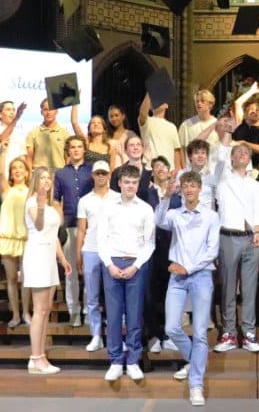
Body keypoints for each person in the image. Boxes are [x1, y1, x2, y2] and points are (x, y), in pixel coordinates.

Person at [155, 171, 221, 407]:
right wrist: (166, 196)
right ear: (181, 190)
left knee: (200, 332)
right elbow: (158, 221)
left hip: (201, 276)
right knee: (172, 327)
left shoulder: (211, 216)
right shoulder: (175, 214)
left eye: (193, 185)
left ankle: (196, 384)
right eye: (186, 186)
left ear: (200, 188)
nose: (189, 189)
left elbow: (212, 251)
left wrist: (188, 268)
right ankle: (195, 362)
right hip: (177, 277)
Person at [97, 164, 156, 381]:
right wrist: (109, 265)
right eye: (127, 182)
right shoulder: (108, 207)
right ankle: (115, 361)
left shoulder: (146, 209)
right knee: (113, 316)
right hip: (112, 262)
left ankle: (132, 361)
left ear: (138, 184)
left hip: (135, 264)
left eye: (134, 182)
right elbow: (101, 239)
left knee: (135, 316)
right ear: (120, 183)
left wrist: (135, 266)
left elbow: (149, 243)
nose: (130, 186)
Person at [213, 119, 259, 353]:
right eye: (238, 152)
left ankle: (249, 333)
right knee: (227, 288)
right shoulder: (223, 177)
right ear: (232, 159)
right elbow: (221, 154)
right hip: (228, 236)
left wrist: (258, 232)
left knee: (249, 288)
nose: (242, 154)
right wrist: (228, 132)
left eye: (246, 152)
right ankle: (228, 333)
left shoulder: (256, 185)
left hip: (250, 238)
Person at [23, 167, 72, 374]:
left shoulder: (51, 205)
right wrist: (41, 207)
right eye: (42, 178)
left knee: (46, 310)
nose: (46, 181)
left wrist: (62, 259)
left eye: (48, 178)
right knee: (39, 310)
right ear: (35, 181)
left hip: (50, 256)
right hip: (38, 256)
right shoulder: (32, 202)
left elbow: (53, 235)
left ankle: (41, 355)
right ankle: (35, 358)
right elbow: (39, 226)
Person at [76, 160, 119, 352]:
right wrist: (78, 254)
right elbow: (81, 229)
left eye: (104, 173)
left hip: (113, 250)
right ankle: (96, 335)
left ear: (109, 175)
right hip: (91, 250)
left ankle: (115, 335)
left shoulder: (118, 198)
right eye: (98, 173)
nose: (101, 176)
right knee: (92, 296)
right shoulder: (85, 200)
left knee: (114, 295)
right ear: (92, 175)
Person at [0, 100, 28, 282]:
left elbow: (25, 159)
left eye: (13, 110)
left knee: (19, 224)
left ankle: (18, 266)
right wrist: (17, 118)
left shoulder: (20, 135)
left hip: (18, 184)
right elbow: (2, 137)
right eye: (8, 109)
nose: (11, 112)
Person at [53, 135, 93, 327]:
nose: (76, 150)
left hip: (91, 227)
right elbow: (55, 199)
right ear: (68, 151)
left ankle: (88, 310)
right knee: (71, 272)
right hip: (69, 224)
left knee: (89, 271)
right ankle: (74, 311)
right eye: (72, 147)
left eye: (79, 146)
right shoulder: (61, 174)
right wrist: (59, 221)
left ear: (84, 149)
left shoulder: (93, 171)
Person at [145, 156, 179, 354]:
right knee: (151, 294)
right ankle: (153, 335)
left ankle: (167, 334)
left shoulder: (177, 194)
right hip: (150, 248)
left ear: (169, 170)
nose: (160, 169)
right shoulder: (147, 192)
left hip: (171, 248)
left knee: (169, 293)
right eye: (156, 166)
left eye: (163, 166)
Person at [0, 151, 32, 328]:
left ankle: (26, 313)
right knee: (11, 278)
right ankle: (15, 315)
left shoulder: (31, 192)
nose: (17, 170)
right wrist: (3, 153)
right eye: (14, 168)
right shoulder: (6, 190)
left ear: (26, 172)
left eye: (20, 167)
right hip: (7, 237)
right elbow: (1, 173)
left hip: (25, 237)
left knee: (26, 277)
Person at [139, 93, 183, 171]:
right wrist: (150, 90)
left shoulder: (172, 126)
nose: (157, 101)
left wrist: (176, 170)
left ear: (166, 105)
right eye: (155, 99)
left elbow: (176, 151)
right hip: (151, 169)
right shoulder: (147, 121)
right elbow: (142, 113)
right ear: (150, 106)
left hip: (168, 171)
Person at [26, 99, 70, 172]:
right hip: (38, 175)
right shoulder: (33, 133)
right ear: (41, 112)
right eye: (45, 109)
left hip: (58, 174)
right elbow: (29, 158)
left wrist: (65, 175)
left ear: (56, 111)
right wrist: (30, 175)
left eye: (51, 109)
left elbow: (68, 158)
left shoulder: (65, 134)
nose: (49, 112)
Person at [178, 90, 219, 168]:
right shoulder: (186, 125)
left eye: (202, 101)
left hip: (212, 169)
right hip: (192, 170)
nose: (199, 103)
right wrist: (184, 168)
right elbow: (181, 149)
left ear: (210, 104)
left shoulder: (218, 124)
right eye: (197, 101)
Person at [110, 135, 153, 202]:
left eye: (138, 145)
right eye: (131, 145)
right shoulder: (117, 172)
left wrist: (149, 163)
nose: (135, 148)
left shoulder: (150, 169)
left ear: (142, 149)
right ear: (125, 150)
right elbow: (114, 197)